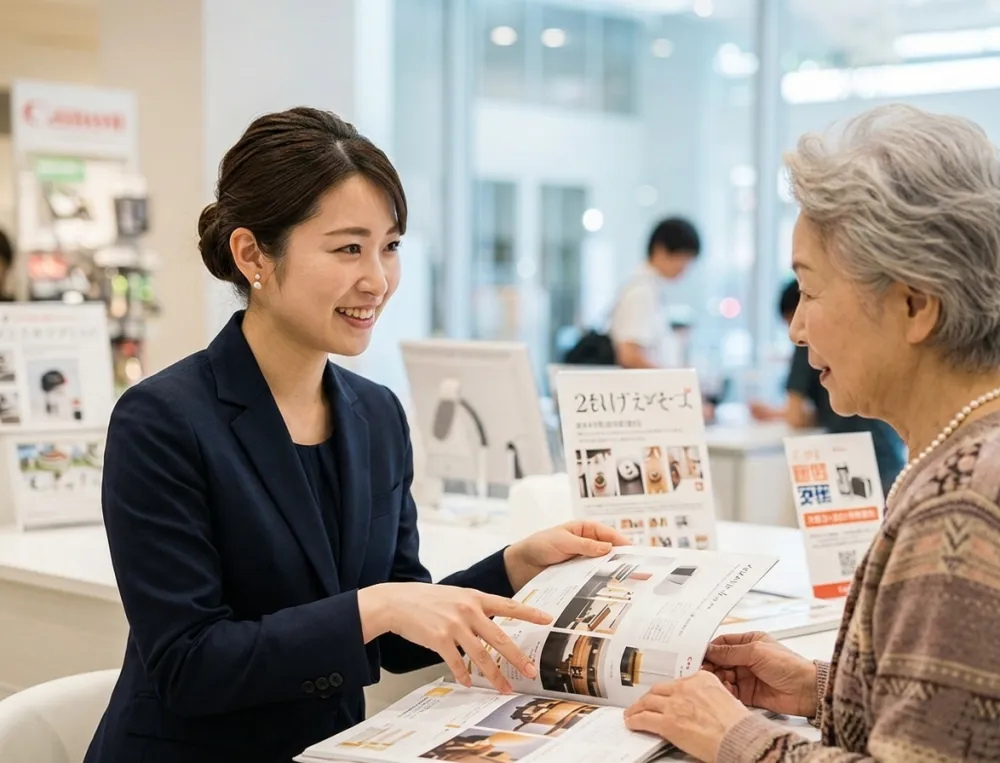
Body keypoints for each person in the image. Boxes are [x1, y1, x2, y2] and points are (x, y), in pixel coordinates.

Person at [83, 107, 628, 763]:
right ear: (253, 253)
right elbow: (191, 662)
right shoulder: (162, 420)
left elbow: (395, 632)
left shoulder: (375, 415)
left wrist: (518, 564)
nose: (377, 279)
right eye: (348, 248)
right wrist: (376, 606)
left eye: (390, 246)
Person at [622, 104, 1000, 762]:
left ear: (915, 304)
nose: (797, 329)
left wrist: (739, 737)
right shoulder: (967, 457)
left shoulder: (961, 503)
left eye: (811, 291)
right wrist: (822, 688)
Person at [750, 279, 905, 492]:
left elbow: (795, 415)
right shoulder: (862, 337)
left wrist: (779, 414)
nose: (795, 333)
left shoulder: (808, 341)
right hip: (890, 456)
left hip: (850, 461)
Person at [609, 216, 700, 370]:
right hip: (647, 390)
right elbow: (629, 355)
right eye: (683, 258)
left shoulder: (649, 288)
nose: (685, 268)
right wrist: (673, 381)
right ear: (661, 250)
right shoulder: (641, 292)